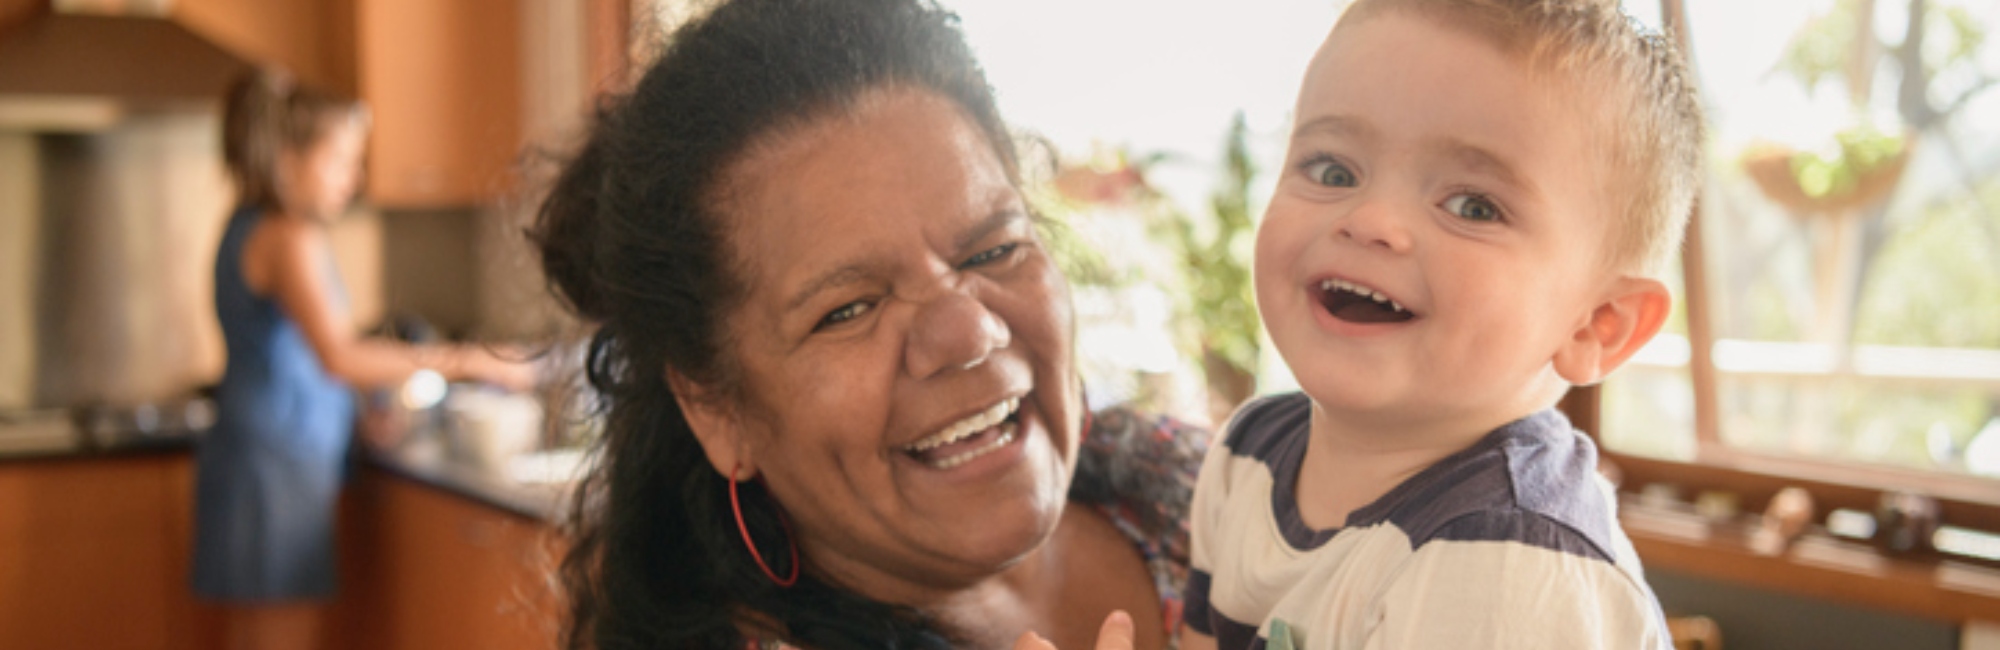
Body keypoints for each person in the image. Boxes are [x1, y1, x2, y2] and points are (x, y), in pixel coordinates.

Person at [528, 1, 1209, 649]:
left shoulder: (1181, 487)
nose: (970, 332)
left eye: (993, 251)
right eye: (848, 310)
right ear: (716, 408)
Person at [1180, 0, 1703, 648]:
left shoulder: (1507, 556)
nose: (1370, 221)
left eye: (1473, 206)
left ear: (1596, 325)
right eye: (1332, 169)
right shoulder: (1248, 450)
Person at [194, 68, 533, 650]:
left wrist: (358, 414)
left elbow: (301, 355)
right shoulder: (288, 235)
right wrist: (472, 360)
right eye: (341, 160)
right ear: (288, 157)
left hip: (255, 454)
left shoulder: (245, 224)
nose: (353, 179)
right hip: (277, 467)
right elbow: (338, 355)